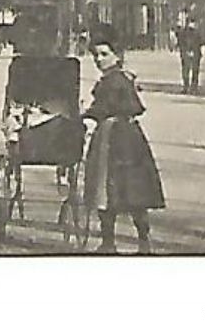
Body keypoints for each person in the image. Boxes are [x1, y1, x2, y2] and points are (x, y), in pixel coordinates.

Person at [82, 30, 166, 254]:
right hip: (127, 137)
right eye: (96, 55)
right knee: (131, 189)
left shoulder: (115, 81)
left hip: (114, 137)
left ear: (116, 55)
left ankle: (112, 242)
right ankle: (139, 242)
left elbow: (107, 107)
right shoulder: (120, 78)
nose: (99, 59)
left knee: (108, 188)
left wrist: (86, 113)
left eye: (104, 54)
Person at [175, 18, 204, 94]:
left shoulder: (185, 32)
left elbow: (181, 42)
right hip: (192, 53)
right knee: (191, 71)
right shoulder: (194, 33)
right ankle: (191, 87)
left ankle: (189, 87)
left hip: (191, 53)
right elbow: (201, 42)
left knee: (189, 71)